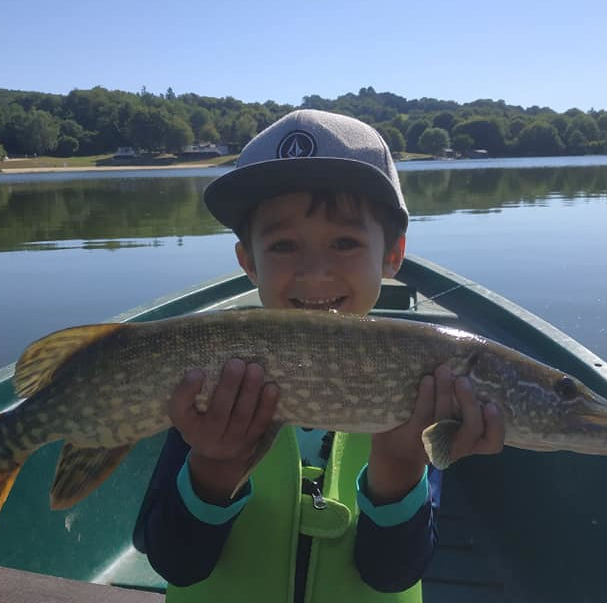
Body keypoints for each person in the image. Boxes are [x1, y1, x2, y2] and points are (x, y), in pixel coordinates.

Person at [133, 109, 505, 602]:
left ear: (392, 256)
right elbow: (176, 563)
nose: (313, 272)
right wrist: (214, 468)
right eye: (284, 244)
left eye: (345, 242)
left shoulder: (421, 385)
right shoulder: (215, 380)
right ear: (248, 261)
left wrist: (398, 466)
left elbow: (391, 574)